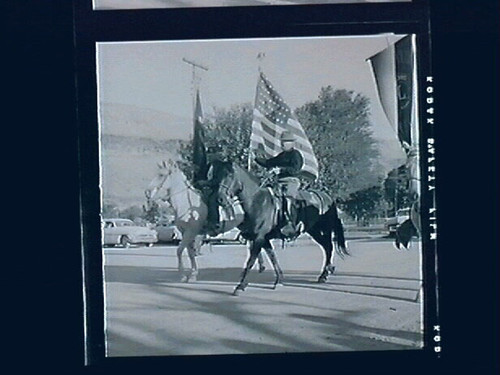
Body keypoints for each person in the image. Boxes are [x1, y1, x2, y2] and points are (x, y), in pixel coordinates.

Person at [254, 131, 304, 238]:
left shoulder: (296, 155)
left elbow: (296, 169)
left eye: (285, 142)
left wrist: (280, 170)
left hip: (291, 181)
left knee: (288, 199)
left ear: (292, 143)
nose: (282, 144)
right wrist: (256, 158)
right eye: (282, 142)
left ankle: (291, 223)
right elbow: (269, 163)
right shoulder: (282, 155)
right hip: (279, 182)